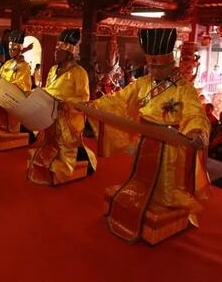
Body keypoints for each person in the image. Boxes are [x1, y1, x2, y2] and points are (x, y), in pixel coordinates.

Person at [87, 28, 210, 242]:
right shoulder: (143, 83)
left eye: (159, 67)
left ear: (170, 64)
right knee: (140, 176)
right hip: (144, 139)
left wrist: (197, 130)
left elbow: (195, 113)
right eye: (151, 66)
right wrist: (94, 106)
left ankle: (165, 203)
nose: (154, 71)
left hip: (168, 143)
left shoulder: (184, 88)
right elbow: (120, 99)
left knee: (166, 181)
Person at [27, 28, 96, 185]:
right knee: (49, 144)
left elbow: (84, 98)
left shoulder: (79, 72)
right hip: (52, 113)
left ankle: (83, 159)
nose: (55, 53)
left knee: (66, 150)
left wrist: (64, 103)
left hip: (68, 118)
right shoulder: (53, 70)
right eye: (56, 50)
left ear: (69, 53)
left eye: (59, 51)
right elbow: (49, 89)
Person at [0, 30, 32, 133]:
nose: (11, 51)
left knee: (10, 129)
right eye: (10, 49)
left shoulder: (24, 66)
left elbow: (22, 85)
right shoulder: (7, 63)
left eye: (14, 49)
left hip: (12, 100)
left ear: (20, 49)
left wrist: (6, 86)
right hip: (1, 97)